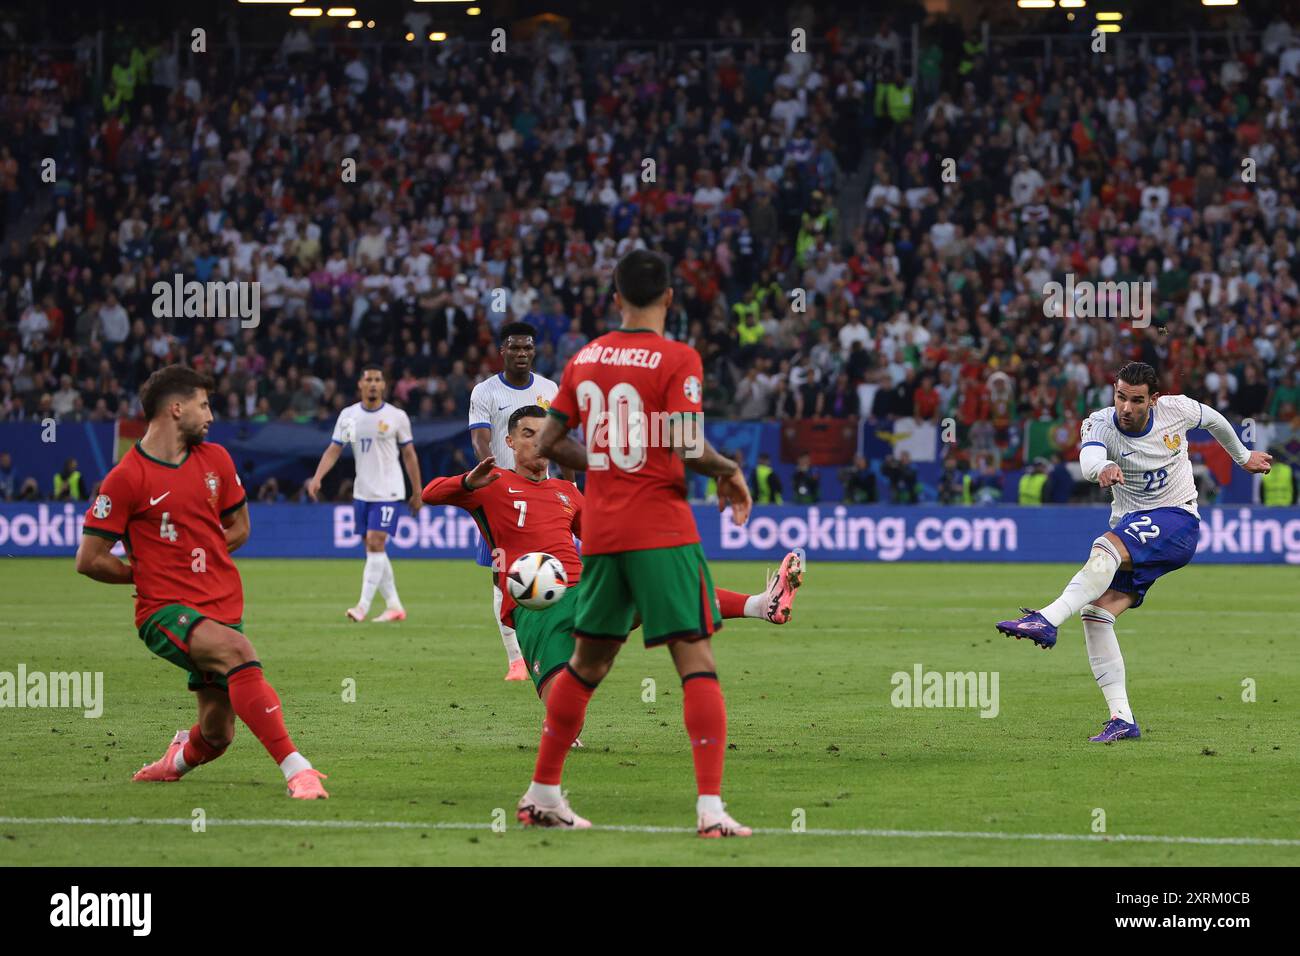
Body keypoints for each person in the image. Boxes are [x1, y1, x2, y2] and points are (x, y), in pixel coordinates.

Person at [521, 249, 762, 837]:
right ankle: (710, 811)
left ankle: (542, 794)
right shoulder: (679, 359)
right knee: (695, 660)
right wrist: (729, 469)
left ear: (615, 297)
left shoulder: (585, 358)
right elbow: (687, 445)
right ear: (670, 299)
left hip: (602, 535)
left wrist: (600, 463)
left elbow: (548, 443)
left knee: (587, 663)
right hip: (661, 529)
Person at [421, 406, 801, 714]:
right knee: (563, 718)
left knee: (656, 583)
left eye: (545, 435)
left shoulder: (566, 491)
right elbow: (430, 494)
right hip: (535, 606)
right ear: (509, 441)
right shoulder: (492, 483)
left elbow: (604, 536)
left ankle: (762, 605)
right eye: (527, 434)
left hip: (583, 591)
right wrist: (468, 483)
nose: (537, 443)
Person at [75, 364, 327, 798]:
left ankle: (173, 762)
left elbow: (240, 527)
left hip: (222, 604)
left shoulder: (216, 460)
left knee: (217, 734)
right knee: (238, 652)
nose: (211, 415)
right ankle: (297, 769)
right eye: (204, 404)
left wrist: (201, 561)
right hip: (164, 610)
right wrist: (151, 573)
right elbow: (90, 559)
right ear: (176, 409)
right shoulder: (126, 478)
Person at [996, 363, 1272, 742]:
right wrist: (1103, 467)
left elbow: (1216, 421)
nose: (1126, 407)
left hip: (1177, 520)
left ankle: (1047, 618)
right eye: (1121, 396)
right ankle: (1122, 719)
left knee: (1105, 547)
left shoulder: (1178, 410)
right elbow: (1089, 457)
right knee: (1096, 614)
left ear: (1153, 400)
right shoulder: (1099, 423)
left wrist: (1242, 457)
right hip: (1135, 524)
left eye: (1137, 400)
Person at [466, 321, 562, 680]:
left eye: (527, 348)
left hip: (544, 493)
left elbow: (559, 439)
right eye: (515, 348)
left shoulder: (549, 389)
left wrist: (569, 484)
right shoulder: (485, 392)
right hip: (501, 496)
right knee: (501, 577)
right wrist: (493, 478)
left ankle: (550, 648)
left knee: (554, 570)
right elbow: (480, 440)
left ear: (534, 351)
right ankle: (516, 659)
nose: (521, 354)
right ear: (502, 351)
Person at [306, 365, 421, 622]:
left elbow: (409, 454)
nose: (372, 384)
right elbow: (335, 449)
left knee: (376, 542)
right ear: (360, 384)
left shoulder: (396, 416)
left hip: (389, 491)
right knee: (372, 548)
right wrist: (317, 477)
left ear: (383, 385)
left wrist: (417, 490)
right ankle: (394, 605)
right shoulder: (350, 417)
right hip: (363, 492)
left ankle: (362, 606)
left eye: (377, 380)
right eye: (368, 379)